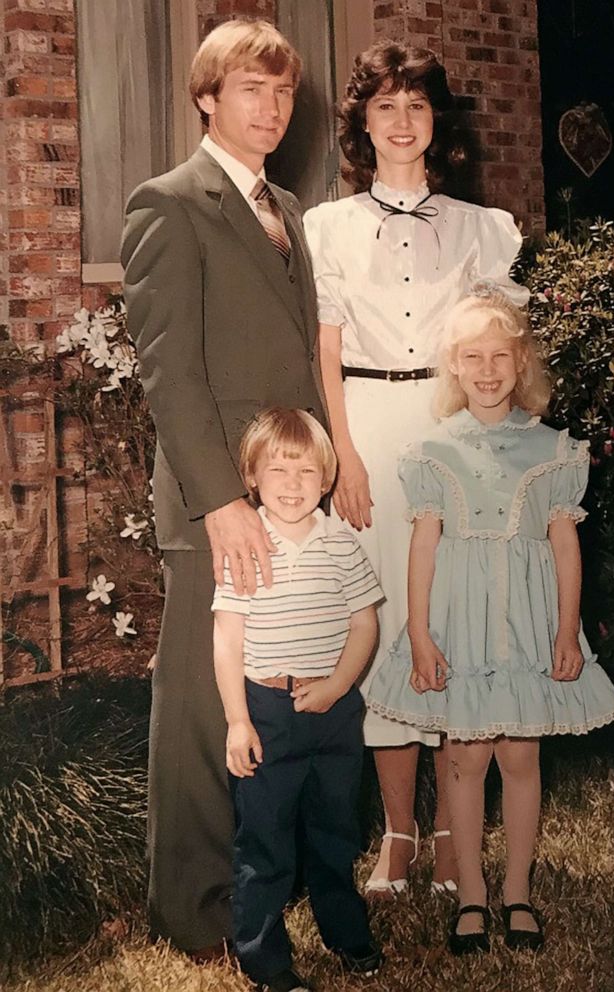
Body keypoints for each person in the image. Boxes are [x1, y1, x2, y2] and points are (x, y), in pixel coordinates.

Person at [303, 40, 529, 897]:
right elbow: (325, 353)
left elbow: (493, 353)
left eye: (416, 106)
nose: (401, 122)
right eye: (385, 107)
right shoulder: (326, 227)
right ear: (363, 125)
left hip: (449, 436)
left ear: (437, 124)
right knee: (386, 622)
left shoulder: (481, 228)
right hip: (365, 428)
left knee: (450, 621)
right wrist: (343, 457)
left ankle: (447, 827)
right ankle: (395, 833)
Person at [121, 20, 326, 956]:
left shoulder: (284, 204)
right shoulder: (170, 202)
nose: (270, 108)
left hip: (287, 494)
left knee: (274, 694)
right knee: (207, 703)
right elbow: (170, 373)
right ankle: (195, 913)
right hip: (220, 503)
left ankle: (262, 889)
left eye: (282, 93)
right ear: (207, 97)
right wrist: (221, 502)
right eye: (250, 89)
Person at [368, 292, 614, 953]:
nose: (486, 371)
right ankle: (471, 896)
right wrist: (419, 634)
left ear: (520, 362)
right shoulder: (430, 450)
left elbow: (564, 546)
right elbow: (423, 547)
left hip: (526, 626)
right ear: (453, 366)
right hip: (459, 627)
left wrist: (566, 631)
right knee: (463, 757)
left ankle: (516, 891)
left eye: (499, 358)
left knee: (519, 755)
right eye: (471, 358)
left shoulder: (552, 450)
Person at [212, 408, 383, 992]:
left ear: (328, 480)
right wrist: (239, 720)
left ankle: (343, 927)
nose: (291, 483)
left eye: (306, 471)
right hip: (268, 712)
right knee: (264, 836)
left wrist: (338, 686)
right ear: (252, 476)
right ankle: (262, 953)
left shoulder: (341, 542)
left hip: (334, 712)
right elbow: (227, 638)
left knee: (335, 827)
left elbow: (364, 624)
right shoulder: (247, 543)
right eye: (277, 469)